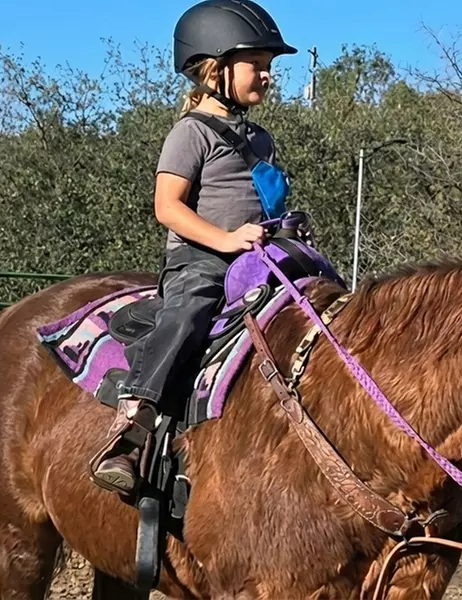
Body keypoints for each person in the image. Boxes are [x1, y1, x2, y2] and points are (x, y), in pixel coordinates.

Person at [88, 0, 297, 495]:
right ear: (215, 68)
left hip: (256, 258)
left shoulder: (260, 139)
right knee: (188, 313)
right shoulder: (191, 133)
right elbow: (168, 207)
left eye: (269, 68)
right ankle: (131, 429)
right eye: (257, 66)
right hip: (200, 261)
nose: (267, 77)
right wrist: (225, 238)